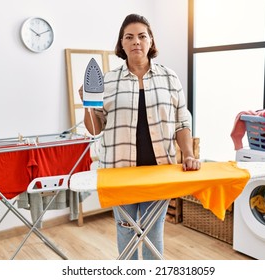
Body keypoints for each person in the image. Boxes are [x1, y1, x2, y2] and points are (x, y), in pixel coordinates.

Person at [79, 13, 200, 260]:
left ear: (151, 41)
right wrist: (87, 105)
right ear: (121, 44)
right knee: (125, 232)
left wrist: (188, 154)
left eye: (142, 36)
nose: (136, 41)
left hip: (159, 170)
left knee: (152, 231)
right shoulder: (108, 81)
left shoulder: (170, 77)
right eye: (129, 37)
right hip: (118, 171)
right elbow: (95, 129)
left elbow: (182, 121)